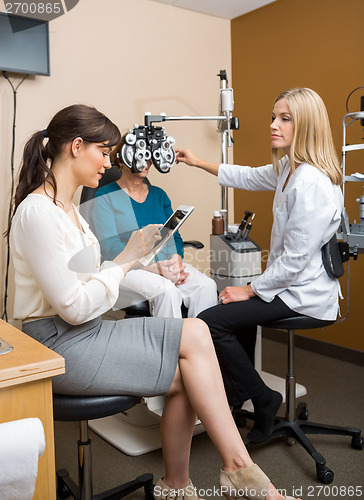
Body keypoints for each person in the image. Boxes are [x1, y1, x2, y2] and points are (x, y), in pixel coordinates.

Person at [8, 104, 301, 500]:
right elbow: (74, 306)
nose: (109, 163)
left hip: (85, 330)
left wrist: (137, 260)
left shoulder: (69, 210)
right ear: (77, 146)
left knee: (190, 359)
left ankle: (182, 484)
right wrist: (128, 259)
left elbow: (89, 282)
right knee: (191, 351)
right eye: (104, 152)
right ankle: (240, 473)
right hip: (57, 345)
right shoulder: (38, 212)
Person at [176, 87, 343, 444]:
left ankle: (263, 399)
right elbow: (249, 176)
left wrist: (249, 288)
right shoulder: (290, 169)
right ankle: (244, 399)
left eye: (285, 119)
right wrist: (197, 161)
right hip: (287, 284)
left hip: (303, 292)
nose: (273, 125)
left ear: (307, 125)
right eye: (273, 116)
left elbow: (296, 261)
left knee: (209, 322)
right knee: (234, 312)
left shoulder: (311, 182)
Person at [91, 138, 217, 318]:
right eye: (139, 155)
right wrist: (155, 269)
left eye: (149, 155)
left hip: (166, 265)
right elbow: (110, 247)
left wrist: (176, 261)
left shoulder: (159, 195)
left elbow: (175, 237)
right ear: (121, 160)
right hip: (128, 268)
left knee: (207, 286)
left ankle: (198, 345)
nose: (146, 161)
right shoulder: (106, 195)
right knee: (166, 290)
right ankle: (169, 345)